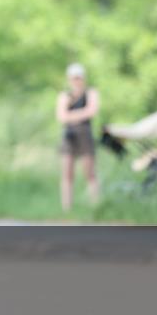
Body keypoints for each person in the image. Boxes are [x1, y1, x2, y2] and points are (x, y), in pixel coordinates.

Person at [55, 63, 99, 211]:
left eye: (78, 78)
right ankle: (66, 208)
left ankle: (95, 205)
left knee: (89, 172)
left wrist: (71, 115)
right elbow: (61, 117)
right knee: (67, 172)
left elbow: (91, 111)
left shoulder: (90, 93)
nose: (76, 81)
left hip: (85, 134)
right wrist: (80, 114)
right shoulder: (65, 95)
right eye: (74, 78)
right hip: (69, 135)